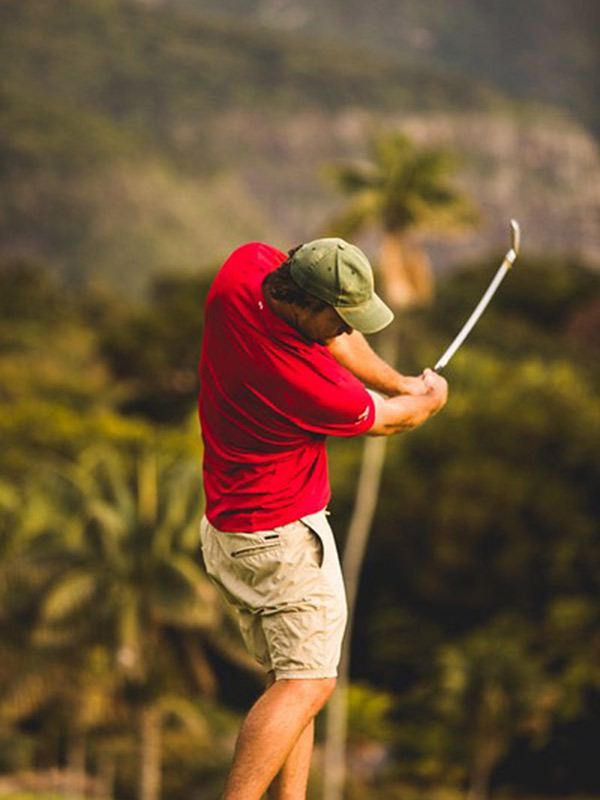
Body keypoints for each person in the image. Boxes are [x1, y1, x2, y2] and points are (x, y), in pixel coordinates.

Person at [198, 238, 448, 800]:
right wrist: (426, 401)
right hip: (282, 541)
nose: (345, 331)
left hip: (230, 528)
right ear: (307, 306)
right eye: (338, 320)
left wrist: (404, 381)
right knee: (309, 683)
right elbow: (391, 423)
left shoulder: (244, 270)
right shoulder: (313, 387)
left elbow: (344, 342)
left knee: (291, 682)